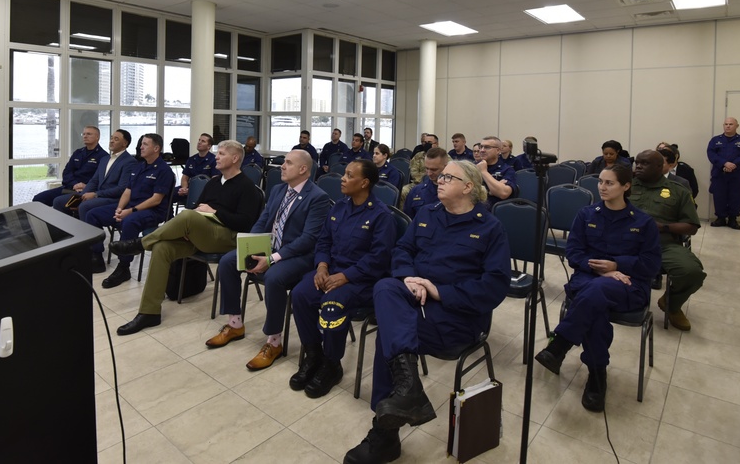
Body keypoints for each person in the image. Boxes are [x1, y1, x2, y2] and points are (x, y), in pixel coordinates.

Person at [344, 160, 511, 464]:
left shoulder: (489, 228)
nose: (439, 180)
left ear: (468, 187)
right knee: (385, 288)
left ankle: (385, 432)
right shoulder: (426, 213)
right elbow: (402, 251)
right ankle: (408, 390)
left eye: (448, 177)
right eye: (441, 175)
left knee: (389, 334)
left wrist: (439, 291)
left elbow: (494, 286)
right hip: (414, 300)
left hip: (456, 316)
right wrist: (408, 277)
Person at [535, 163, 660, 412]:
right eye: (600, 182)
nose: (602, 187)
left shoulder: (644, 223)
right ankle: (597, 374)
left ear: (626, 186)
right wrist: (604, 270)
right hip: (589, 279)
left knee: (594, 294)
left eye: (609, 183)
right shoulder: (586, 215)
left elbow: (651, 265)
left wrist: (617, 264)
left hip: (629, 286)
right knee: (596, 309)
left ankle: (560, 344)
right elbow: (573, 253)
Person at [112, 140, 262, 335]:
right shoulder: (214, 182)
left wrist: (215, 212)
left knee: (187, 216)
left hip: (227, 237)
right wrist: (187, 230)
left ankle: (140, 244)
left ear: (235, 159)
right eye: (217, 153)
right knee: (162, 248)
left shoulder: (248, 187)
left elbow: (245, 223)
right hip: (202, 233)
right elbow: (197, 208)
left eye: (222, 154)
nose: (216, 156)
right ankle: (149, 312)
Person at [206, 150, 331, 370]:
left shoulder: (318, 197)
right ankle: (235, 323)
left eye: (288, 163)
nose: (282, 166)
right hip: (271, 248)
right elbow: (263, 222)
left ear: (303, 169)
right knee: (228, 261)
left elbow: (309, 239)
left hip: (299, 256)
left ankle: (274, 342)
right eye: (283, 162)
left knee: (273, 277)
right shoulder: (277, 190)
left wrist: (272, 259)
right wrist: (251, 247)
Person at [289, 160, 393, 398]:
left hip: (362, 280)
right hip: (332, 270)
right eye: (344, 174)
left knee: (332, 303)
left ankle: (331, 364)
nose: (342, 179)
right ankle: (313, 354)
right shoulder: (338, 207)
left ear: (364, 183)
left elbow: (379, 258)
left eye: (349, 175)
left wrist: (346, 276)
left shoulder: (380, 215)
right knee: (301, 294)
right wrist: (322, 266)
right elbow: (324, 241)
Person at [85, 133, 175, 285]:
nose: (141, 147)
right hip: (131, 206)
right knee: (92, 214)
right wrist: (119, 209)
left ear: (156, 148)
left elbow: (156, 199)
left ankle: (123, 267)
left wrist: (130, 211)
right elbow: (128, 191)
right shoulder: (139, 167)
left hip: (153, 211)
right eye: (141, 144)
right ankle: (96, 256)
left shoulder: (164, 170)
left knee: (129, 221)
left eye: (145, 144)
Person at [630, 150, 704, 331]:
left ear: (660, 167)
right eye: (637, 163)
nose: (638, 166)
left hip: (662, 244)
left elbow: (691, 226)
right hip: (625, 242)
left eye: (644, 163)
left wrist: (663, 227)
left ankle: (672, 304)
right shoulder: (625, 185)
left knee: (691, 272)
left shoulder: (678, 190)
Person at [54, 130, 136, 226]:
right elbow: (94, 181)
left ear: (125, 143)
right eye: (111, 138)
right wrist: (82, 196)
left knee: (84, 206)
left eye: (116, 139)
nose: (112, 141)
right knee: (59, 201)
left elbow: (121, 189)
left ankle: (90, 238)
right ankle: (67, 233)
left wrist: (95, 194)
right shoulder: (105, 159)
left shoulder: (129, 162)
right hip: (98, 195)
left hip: (113, 198)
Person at [33, 126, 108, 206]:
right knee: (38, 199)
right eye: (84, 134)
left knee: (58, 202)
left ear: (97, 137)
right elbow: (67, 172)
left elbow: (100, 179)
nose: (85, 136)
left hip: (85, 191)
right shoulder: (78, 153)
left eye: (89, 134)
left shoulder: (104, 156)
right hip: (69, 188)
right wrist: (74, 184)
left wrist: (85, 186)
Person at [707, 117, 740, 229]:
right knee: (719, 195)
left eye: (731, 124)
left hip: (737, 174)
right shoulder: (715, 140)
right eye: (726, 124)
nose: (728, 126)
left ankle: (733, 219)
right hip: (719, 173)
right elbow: (711, 154)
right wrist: (724, 163)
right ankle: (720, 218)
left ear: (737, 126)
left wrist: (734, 164)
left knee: (736, 196)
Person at [403, 148, 447, 219]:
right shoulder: (416, 191)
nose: (429, 173)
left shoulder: (454, 193)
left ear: (446, 167)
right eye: (427, 168)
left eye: (434, 169)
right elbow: (408, 221)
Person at [176, 133, 219, 203]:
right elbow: (185, 177)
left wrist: (194, 190)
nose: (199, 142)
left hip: (205, 190)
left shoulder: (214, 160)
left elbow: (214, 181)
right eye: (199, 140)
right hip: (190, 188)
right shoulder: (191, 159)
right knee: (169, 193)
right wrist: (184, 188)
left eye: (203, 141)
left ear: (209, 146)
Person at [477, 136, 517, 209]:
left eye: (487, 147)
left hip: (494, 213)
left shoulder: (507, 170)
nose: (482, 150)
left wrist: (484, 172)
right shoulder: (473, 167)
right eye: (481, 147)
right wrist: (492, 191)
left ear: (498, 150)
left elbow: (503, 193)